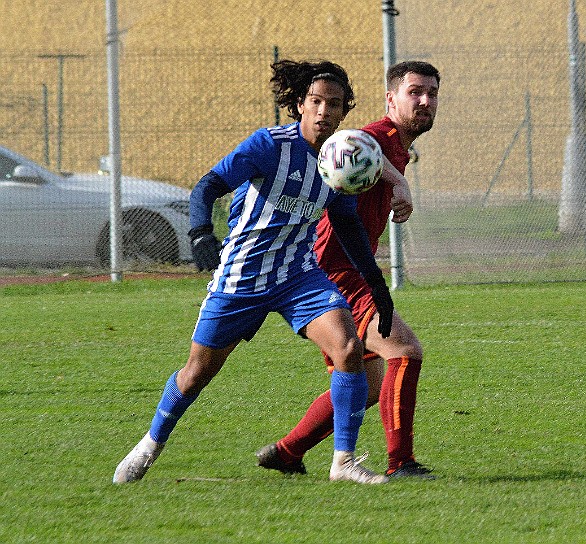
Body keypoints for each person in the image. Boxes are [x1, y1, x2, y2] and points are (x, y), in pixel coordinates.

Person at [112, 59, 395, 485]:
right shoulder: (269, 146)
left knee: (348, 349)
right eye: (315, 101)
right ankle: (150, 445)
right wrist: (200, 235)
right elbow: (208, 185)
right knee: (196, 374)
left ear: (343, 112)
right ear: (300, 104)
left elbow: (350, 228)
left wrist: (378, 288)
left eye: (333, 105)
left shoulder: (339, 162)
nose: (324, 111)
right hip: (241, 277)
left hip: (299, 277)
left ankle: (344, 461)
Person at [256, 61, 440, 479]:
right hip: (336, 271)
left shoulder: (396, 147)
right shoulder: (377, 137)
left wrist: (395, 178)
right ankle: (402, 463)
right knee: (405, 352)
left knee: (368, 382)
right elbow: (344, 141)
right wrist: (398, 181)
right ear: (391, 99)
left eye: (431, 93)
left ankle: (288, 451)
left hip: (342, 269)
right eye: (415, 92)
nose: (425, 101)